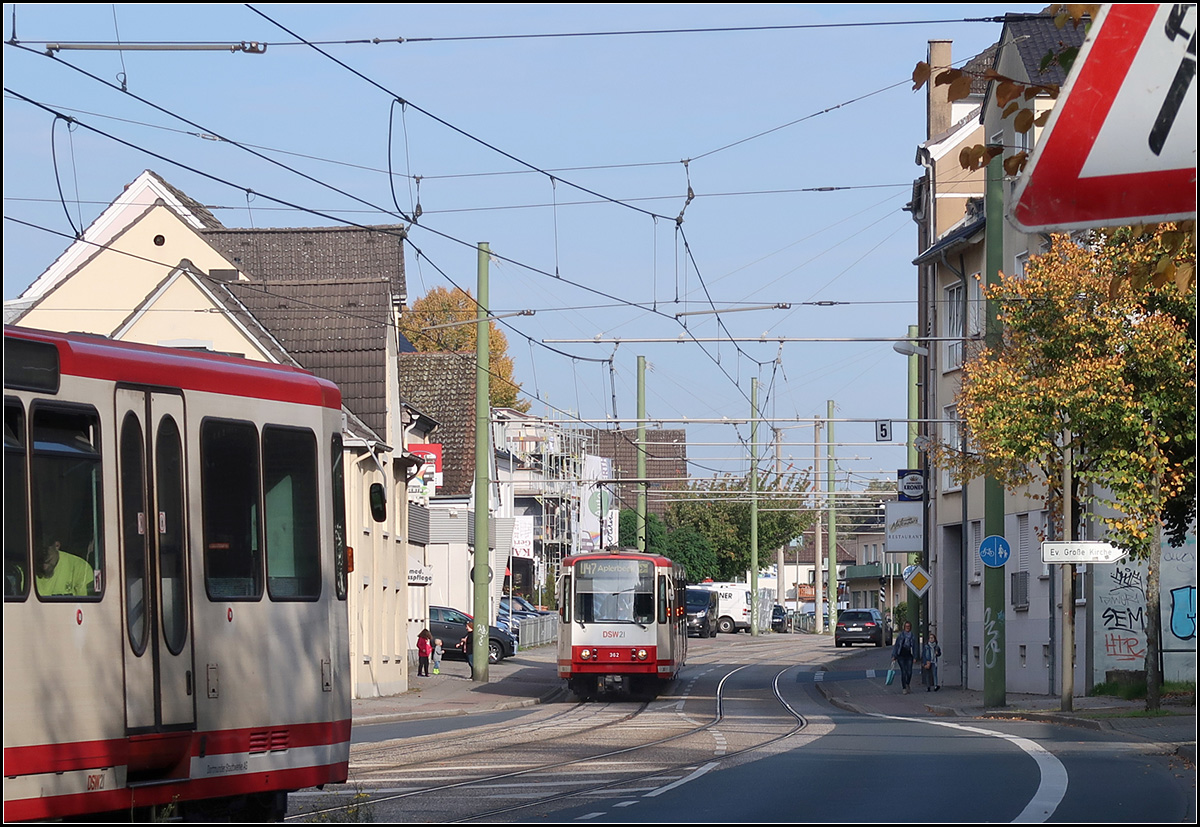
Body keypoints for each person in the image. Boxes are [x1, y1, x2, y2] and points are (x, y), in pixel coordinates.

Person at [891, 621, 918, 694]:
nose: (907, 628)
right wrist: (894, 655)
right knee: (904, 671)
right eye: (906, 626)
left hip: (909, 655)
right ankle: (904, 688)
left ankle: (907, 683)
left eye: (908, 626)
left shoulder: (912, 636)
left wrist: (915, 657)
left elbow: (915, 647)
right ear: (904, 627)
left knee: (909, 672)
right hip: (901, 655)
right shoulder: (900, 635)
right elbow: (896, 646)